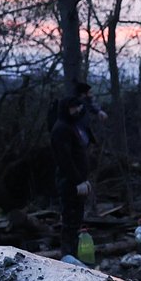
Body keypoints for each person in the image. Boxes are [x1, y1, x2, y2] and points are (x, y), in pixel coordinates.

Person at [50, 96, 92, 259]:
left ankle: (73, 257)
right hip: (69, 183)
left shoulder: (72, 126)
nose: (77, 111)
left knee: (75, 222)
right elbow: (64, 159)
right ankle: (68, 258)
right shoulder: (61, 129)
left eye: (79, 107)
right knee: (70, 223)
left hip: (76, 182)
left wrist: (83, 179)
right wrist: (77, 180)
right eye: (74, 108)